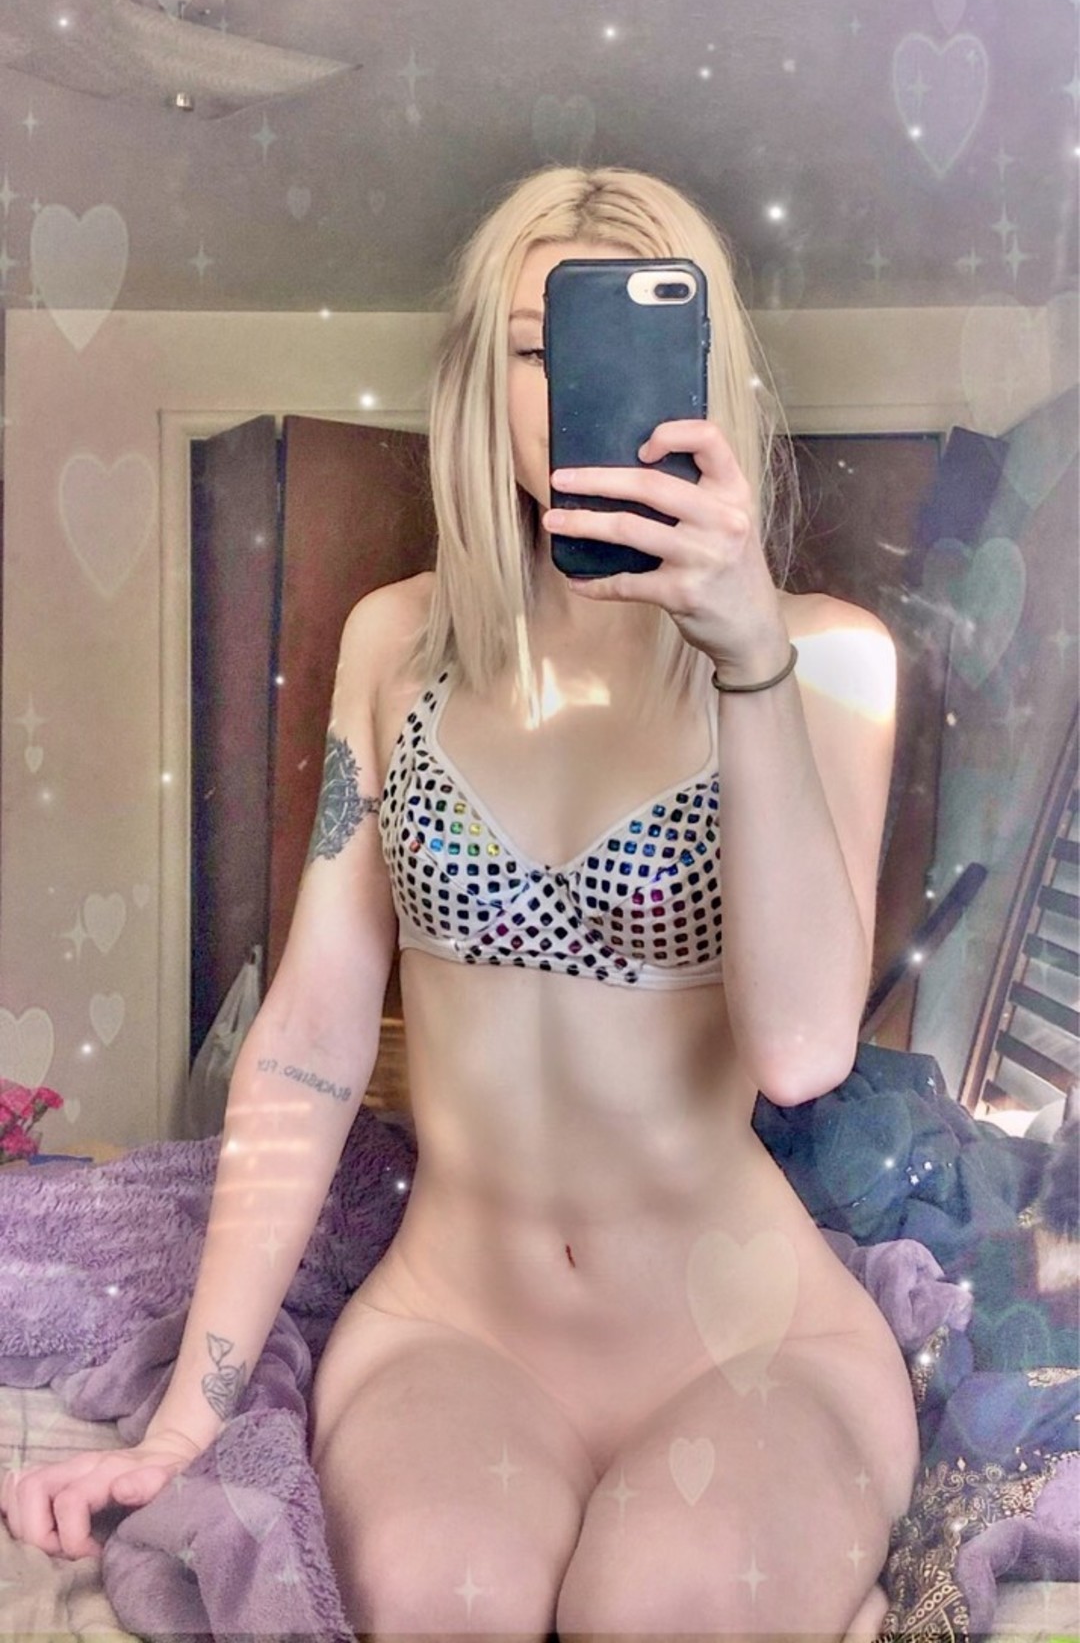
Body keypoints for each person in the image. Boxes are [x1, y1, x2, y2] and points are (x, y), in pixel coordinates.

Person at [1, 166, 920, 1639]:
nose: (575, 392)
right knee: (443, 1597)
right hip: (457, 1326)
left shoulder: (829, 659)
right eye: (535, 348)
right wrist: (184, 1421)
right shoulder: (397, 645)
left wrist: (749, 659)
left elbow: (804, 1051)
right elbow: (309, 1039)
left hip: (744, 1338)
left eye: (627, 342)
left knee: (665, 1607)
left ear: (704, 375)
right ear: (479, 383)